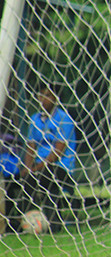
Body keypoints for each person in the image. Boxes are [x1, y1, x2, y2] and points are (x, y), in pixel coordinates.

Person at [5, 85, 77, 232]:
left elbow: (58, 152)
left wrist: (34, 169)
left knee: (42, 177)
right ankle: (16, 222)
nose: (44, 100)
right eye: (42, 95)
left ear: (56, 99)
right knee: (15, 179)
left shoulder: (64, 119)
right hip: (38, 166)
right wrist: (27, 168)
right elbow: (31, 147)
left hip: (61, 167)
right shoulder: (35, 119)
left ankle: (53, 223)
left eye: (49, 96)